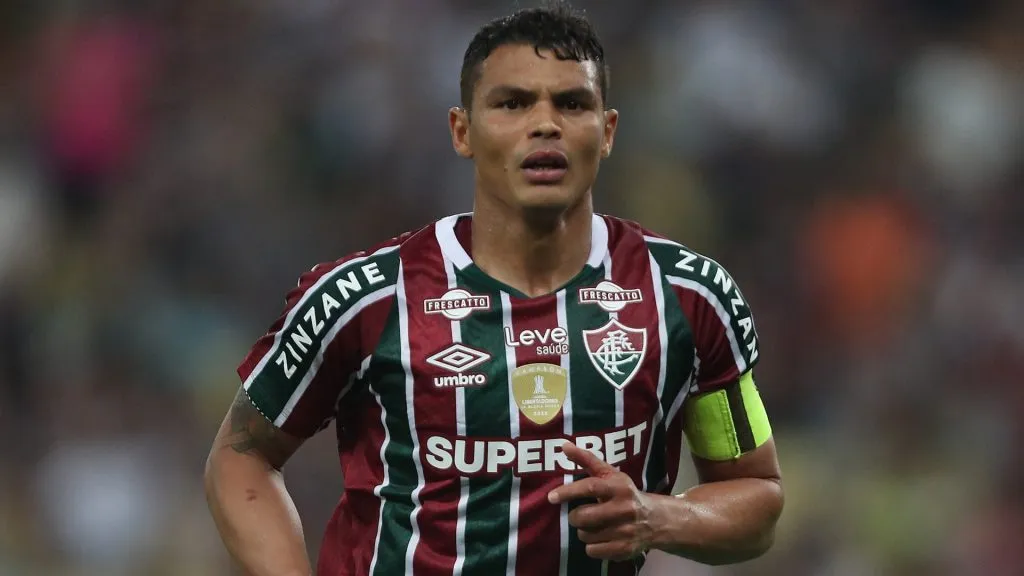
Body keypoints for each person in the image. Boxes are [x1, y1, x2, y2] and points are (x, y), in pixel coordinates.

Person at [204, 4, 784, 575]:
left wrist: (659, 517)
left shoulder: (687, 297)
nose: (545, 123)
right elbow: (241, 459)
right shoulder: (366, 298)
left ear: (607, 132)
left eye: (572, 103)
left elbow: (755, 493)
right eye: (512, 103)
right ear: (463, 131)